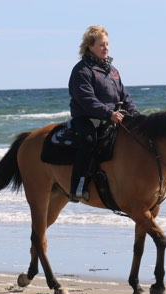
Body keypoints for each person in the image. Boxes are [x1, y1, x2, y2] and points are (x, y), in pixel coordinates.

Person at [68, 25, 139, 202]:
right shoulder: (81, 70)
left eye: (107, 44)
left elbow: (124, 96)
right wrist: (108, 113)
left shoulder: (113, 70)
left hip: (111, 116)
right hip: (87, 117)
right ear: (90, 46)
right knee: (88, 141)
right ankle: (77, 187)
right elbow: (87, 100)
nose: (106, 48)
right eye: (101, 44)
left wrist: (137, 117)